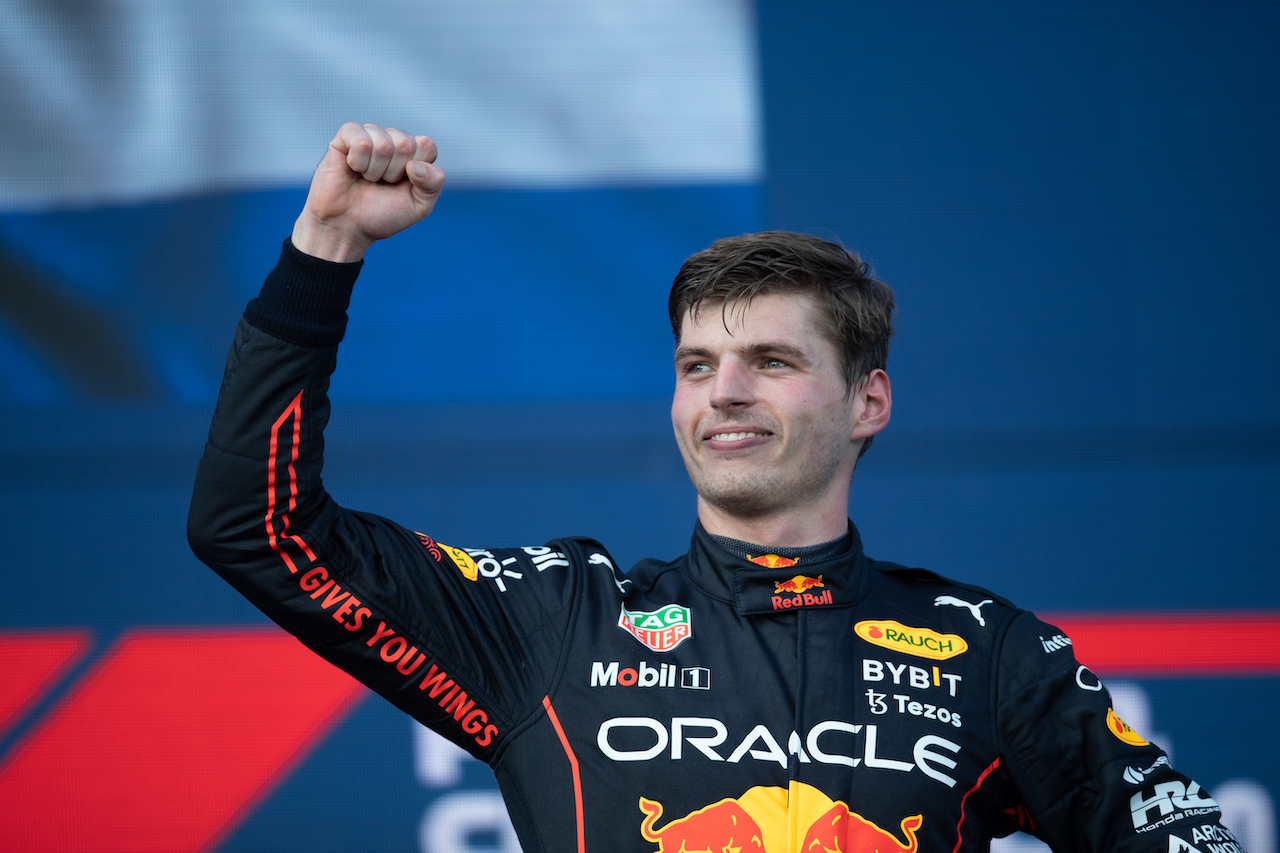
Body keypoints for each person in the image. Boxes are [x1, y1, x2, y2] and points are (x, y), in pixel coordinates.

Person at [189, 123, 1242, 853]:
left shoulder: (990, 653)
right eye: (697, 366)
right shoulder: (557, 622)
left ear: (868, 401)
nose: (723, 395)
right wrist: (324, 248)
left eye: (771, 363)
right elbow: (256, 526)